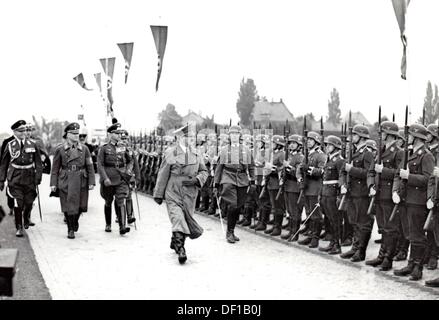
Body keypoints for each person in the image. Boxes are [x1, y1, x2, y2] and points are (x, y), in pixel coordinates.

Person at [153, 124, 208, 264]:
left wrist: (197, 179)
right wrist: (159, 193)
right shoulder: (171, 152)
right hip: (174, 190)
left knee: (185, 218)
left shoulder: (196, 153)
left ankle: (175, 241)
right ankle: (181, 249)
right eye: (187, 137)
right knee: (177, 217)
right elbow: (163, 173)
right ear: (179, 138)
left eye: (192, 137)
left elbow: (204, 171)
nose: (190, 139)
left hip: (190, 193)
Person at [393, 124, 434, 281]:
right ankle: (411, 263)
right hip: (406, 199)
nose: (407, 137)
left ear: (417, 137)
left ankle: (418, 267)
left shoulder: (426, 156)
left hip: (418, 200)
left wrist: (409, 176)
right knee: (409, 233)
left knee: (418, 235)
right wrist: (396, 191)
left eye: (410, 135)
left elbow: (428, 179)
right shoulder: (408, 153)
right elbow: (398, 174)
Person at [366, 121, 403, 271]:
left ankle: (388, 258)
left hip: (389, 195)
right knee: (382, 227)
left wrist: (384, 171)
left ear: (389, 134)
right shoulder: (380, 150)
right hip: (379, 194)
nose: (380, 135)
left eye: (382, 132)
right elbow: (371, 171)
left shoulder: (398, 152)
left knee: (391, 228)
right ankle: (381, 256)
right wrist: (371, 185)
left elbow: (400, 174)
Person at [50, 123, 96, 239]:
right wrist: (53, 184)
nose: (76, 136)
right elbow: (55, 168)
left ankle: (75, 220)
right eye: (73, 134)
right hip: (66, 178)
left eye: (77, 133)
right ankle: (70, 229)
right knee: (68, 204)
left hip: (81, 178)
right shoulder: (60, 149)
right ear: (67, 134)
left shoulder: (84, 149)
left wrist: (91, 181)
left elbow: (90, 166)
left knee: (81, 205)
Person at [0, 120, 43, 237]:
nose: (23, 132)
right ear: (14, 132)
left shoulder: (33, 144)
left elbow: (38, 163)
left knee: (29, 202)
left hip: (29, 177)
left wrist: (38, 177)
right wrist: (1, 180)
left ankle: (26, 216)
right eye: (20, 131)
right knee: (18, 203)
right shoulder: (10, 145)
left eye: (24, 130)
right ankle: (19, 227)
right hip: (15, 178)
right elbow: (3, 164)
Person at [214, 125, 255, 243]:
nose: (234, 136)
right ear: (229, 136)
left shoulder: (246, 150)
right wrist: (216, 184)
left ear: (240, 136)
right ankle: (229, 232)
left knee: (238, 206)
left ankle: (231, 229)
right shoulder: (224, 150)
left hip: (242, 179)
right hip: (228, 178)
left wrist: (252, 181)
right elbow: (219, 167)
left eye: (236, 134)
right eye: (232, 134)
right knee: (233, 204)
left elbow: (251, 166)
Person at [339, 125, 374, 262]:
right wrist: (343, 184)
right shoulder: (353, 153)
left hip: (362, 193)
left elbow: (368, 173)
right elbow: (343, 171)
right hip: (352, 192)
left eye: (354, 135)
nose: (351, 137)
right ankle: (355, 247)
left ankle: (361, 251)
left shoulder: (367, 154)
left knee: (363, 223)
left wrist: (352, 170)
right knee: (354, 221)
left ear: (361, 136)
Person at [97, 122, 132, 235]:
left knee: (120, 200)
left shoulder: (123, 147)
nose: (119, 135)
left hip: (121, 177)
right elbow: (100, 164)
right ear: (110, 134)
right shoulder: (104, 148)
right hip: (108, 179)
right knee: (108, 201)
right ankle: (108, 224)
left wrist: (128, 171)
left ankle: (122, 226)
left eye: (119, 133)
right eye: (116, 133)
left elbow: (130, 160)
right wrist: (105, 178)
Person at [297, 131, 326, 248]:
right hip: (307, 187)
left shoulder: (320, 155)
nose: (308, 141)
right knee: (309, 213)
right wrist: (300, 177)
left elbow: (322, 172)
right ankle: (310, 235)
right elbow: (299, 168)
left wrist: (309, 169)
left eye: (311, 140)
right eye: (307, 140)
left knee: (316, 215)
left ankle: (315, 238)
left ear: (316, 142)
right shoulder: (307, 155)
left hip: (315, 188)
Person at [318, 135, 344, 254]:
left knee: (335, 220)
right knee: (330, 219)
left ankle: (337, 245)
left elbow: (341, 178)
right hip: (326, 193)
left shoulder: (339, 160)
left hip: (333, 194)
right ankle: (332, 243)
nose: (327, 147)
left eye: (330, 145)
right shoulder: (328, 160)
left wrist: (339, 196)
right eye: (327, 145)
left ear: (336, 147)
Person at [281, 134, 304, 241]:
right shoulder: (290, 156)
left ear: (299, 145)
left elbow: (299, 173)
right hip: (287, 185)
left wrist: (288, 167)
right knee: (290, 211)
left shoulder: (300, 157)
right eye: (290, 143)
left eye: (294, 143)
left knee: (295, 212)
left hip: (295, 186)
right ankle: (291, 231)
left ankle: (295, 233)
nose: (291, 145)